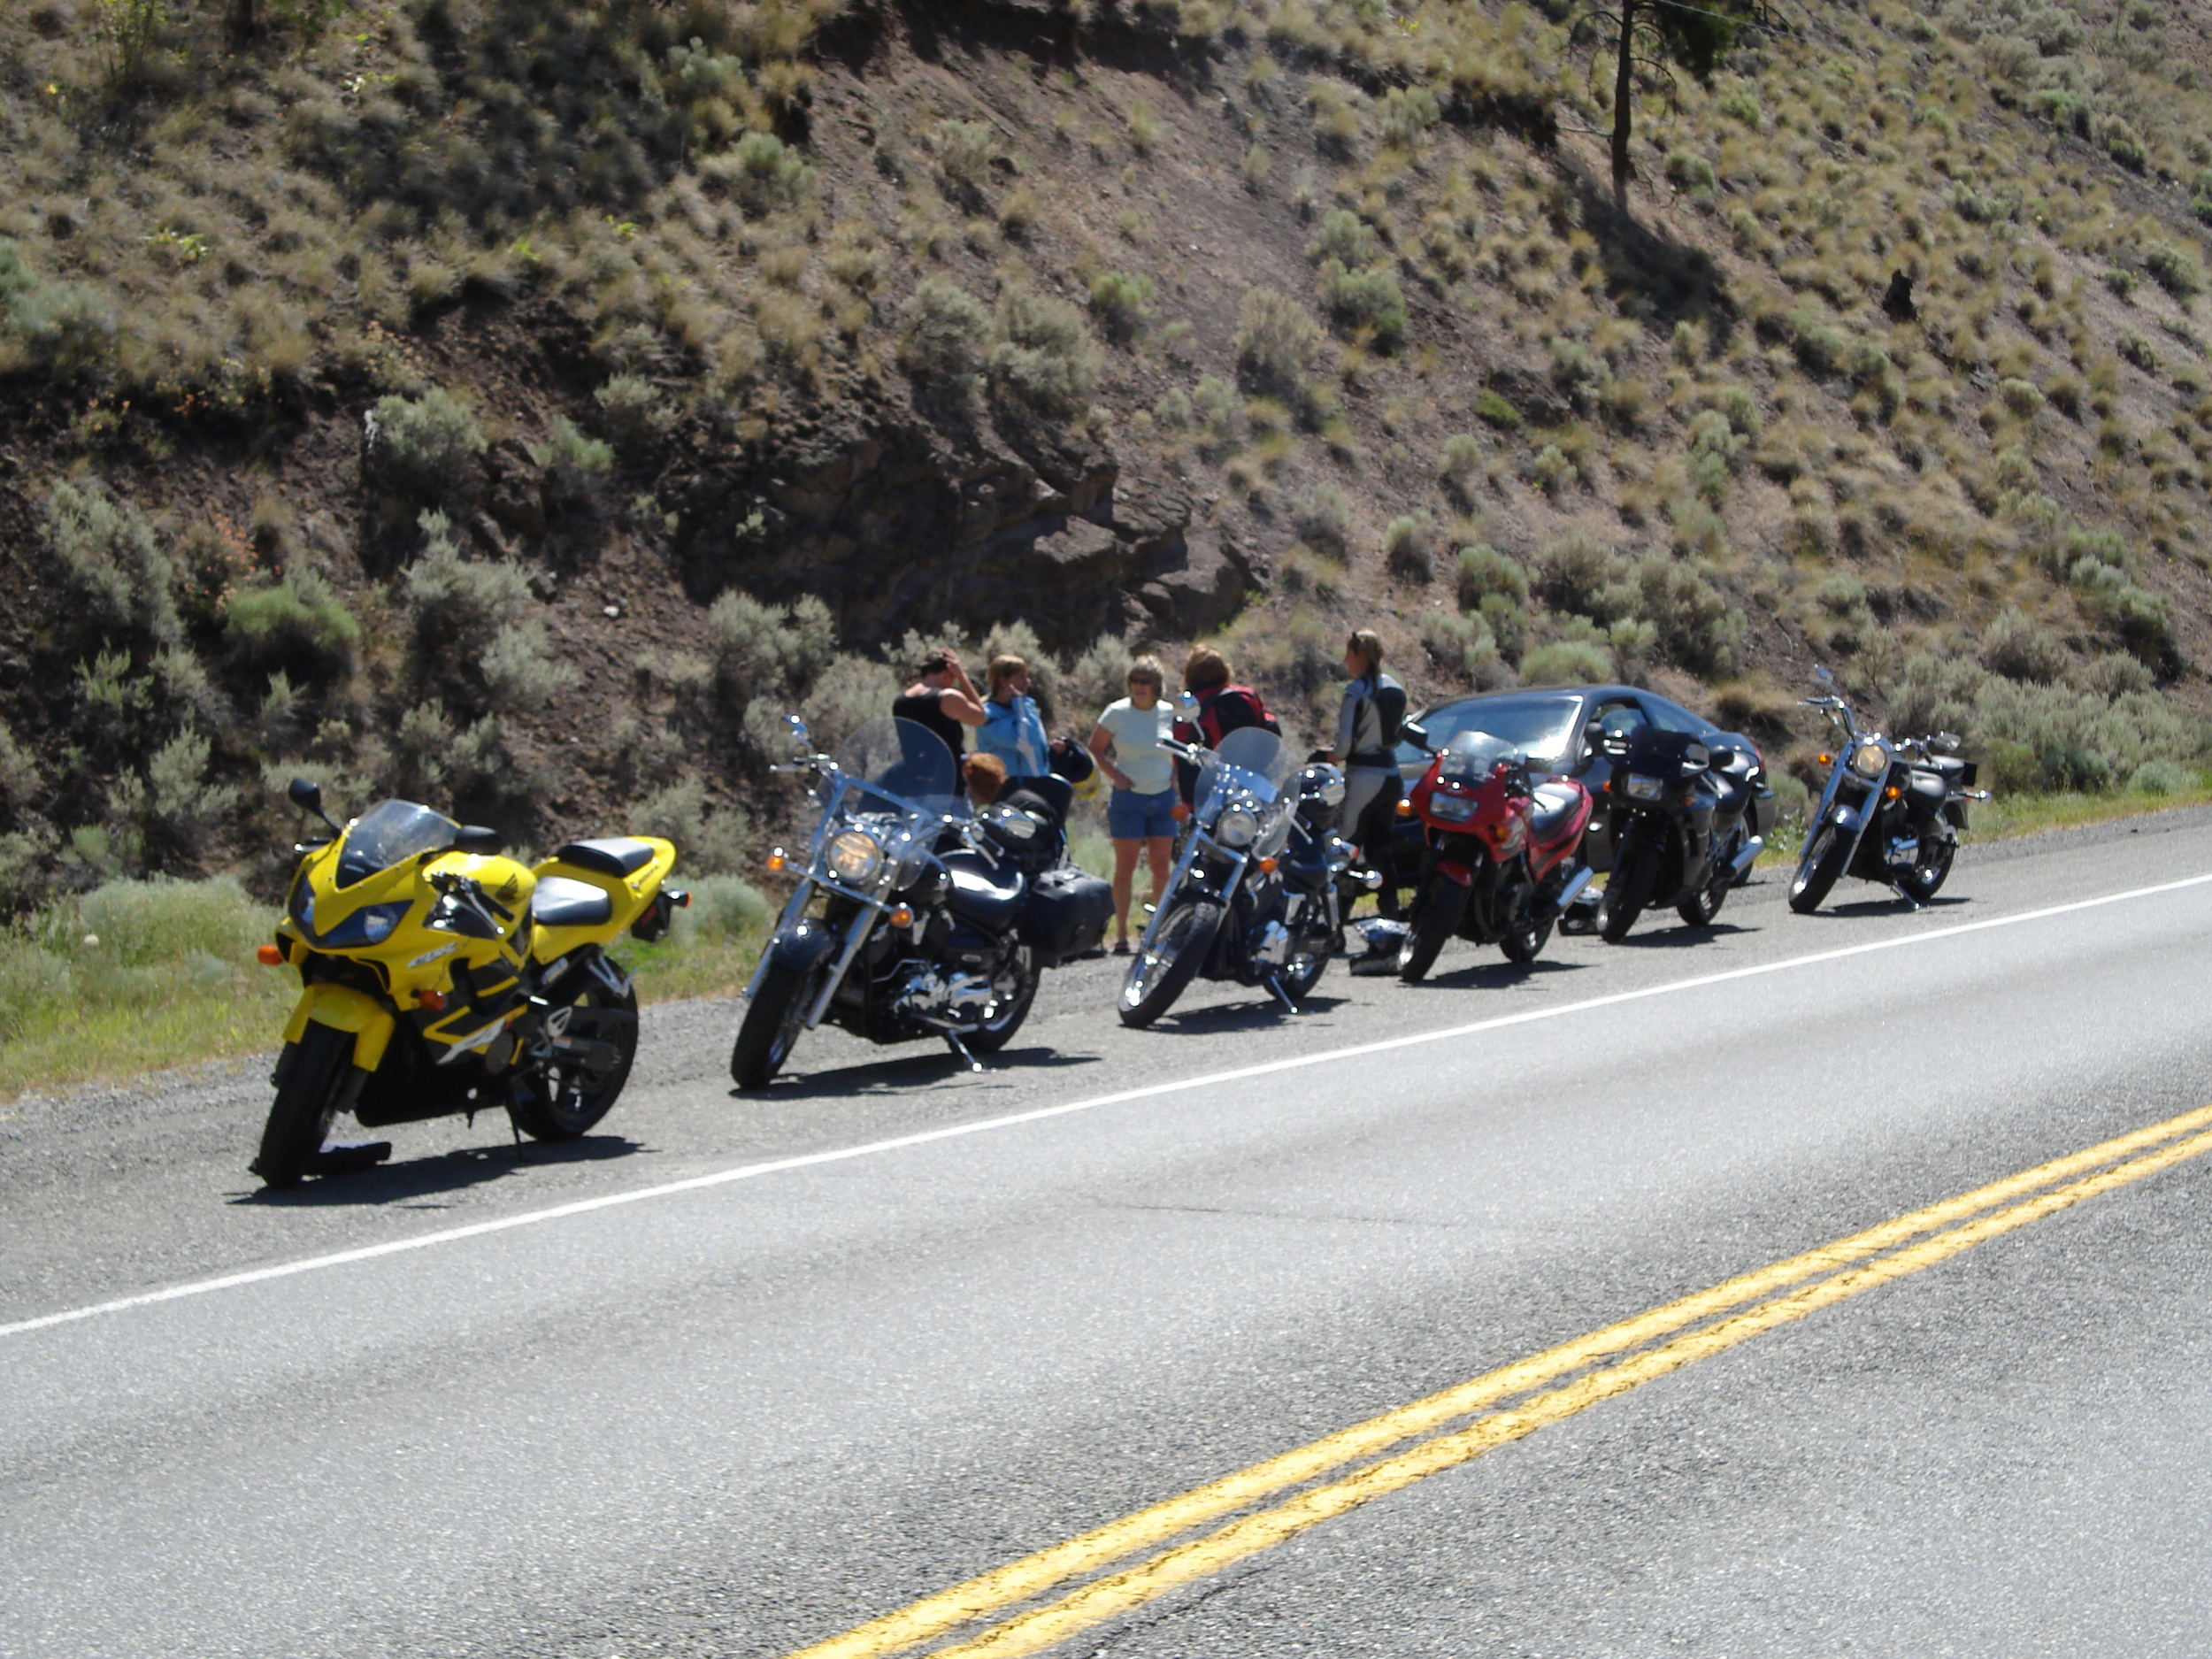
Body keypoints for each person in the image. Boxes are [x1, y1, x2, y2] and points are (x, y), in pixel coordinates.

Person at [1087, 656, 1177, 954]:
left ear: (1156, 686)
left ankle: (1158, 931)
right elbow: (1096, 749)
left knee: (1161, 868)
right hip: (1129, 800)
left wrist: (1176, 778)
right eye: (1134, 681)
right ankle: (1123, 934)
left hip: (1163, 798)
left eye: (1145, 681)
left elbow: (1182, 749)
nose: (1139, 687)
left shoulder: (1169, 712)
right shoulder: (1117, 713)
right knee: (1125, 867)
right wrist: (1117, 776)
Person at [1328, 629, 1407, 918]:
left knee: (1345, 847)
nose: (1345, 659)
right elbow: (1397, 736)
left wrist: (1330, 756)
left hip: (1363, 777)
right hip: (1391, 776)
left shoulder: (1355, 692)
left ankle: (1335, 923)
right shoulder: (1396, 688)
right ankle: (1391, 914)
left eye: (1349, 653)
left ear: (1359, 656)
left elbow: (1344, 746)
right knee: (1381, 848)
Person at [1171, 646, 1279, 804]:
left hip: (1214, 794)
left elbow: (1179, 755)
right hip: (1256, 783)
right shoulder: (1248, 696)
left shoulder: (1193, 706)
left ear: (1190, 676)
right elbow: (1271, 729)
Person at [892, 647, 987, 782]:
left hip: (915, 781)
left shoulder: (901, 701)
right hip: (947, 782)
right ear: (946, 673)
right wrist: (962, 676)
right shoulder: (948, 697)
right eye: (953, 677)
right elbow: (980, 718)